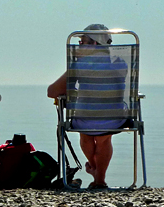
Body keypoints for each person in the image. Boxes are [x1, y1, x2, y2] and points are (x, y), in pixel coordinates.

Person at [47, 23, 131, 190]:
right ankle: (99, 178)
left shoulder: (80, 65)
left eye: (82, 42)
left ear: (94, 44)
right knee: (103, 138)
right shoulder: (120, 62)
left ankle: (95, 170)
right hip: (113, 119)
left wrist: (77, 65)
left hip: (84, 120)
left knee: (86, 136)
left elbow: (52, 92)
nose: (79, 45)